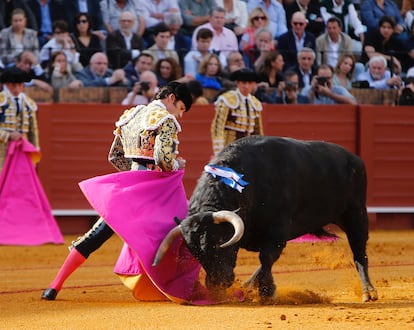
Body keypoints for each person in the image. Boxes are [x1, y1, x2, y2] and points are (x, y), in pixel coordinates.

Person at [41, 81, 194, 301]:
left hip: (130, 188)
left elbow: (115, 156)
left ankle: (54, 286)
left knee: (96, 234)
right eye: (180, 108)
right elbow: (164, 160)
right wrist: (178, 164)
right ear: (171, 98)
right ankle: (181, 287)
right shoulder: (166, 120)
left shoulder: (130, 116)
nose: (179, 115)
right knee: (180, 229)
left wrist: (132, 178)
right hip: (154, 194)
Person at [211, 67, 263, 155]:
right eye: (243, 83)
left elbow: (257, 132)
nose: (246, 86)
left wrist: (260, 150)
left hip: (248, 149)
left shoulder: (255, 103)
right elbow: (217, 127)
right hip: (229, 148)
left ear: (254, 84)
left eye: (249, 83)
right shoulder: (227, 99)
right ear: (238, 83)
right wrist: (219, 152)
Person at [0, 67, 38, 170]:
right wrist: (8, 135)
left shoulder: (28, 103)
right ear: (6, 85)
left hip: (22, 150)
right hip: (2, 150)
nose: (17, 89)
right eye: (13, 85)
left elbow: (33, 130)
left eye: (20, 85)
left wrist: (35, 150)